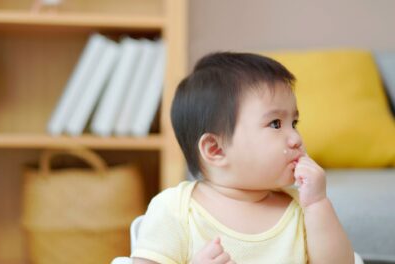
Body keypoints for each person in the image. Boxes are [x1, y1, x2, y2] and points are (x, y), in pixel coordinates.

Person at [131, 52, 354, 263]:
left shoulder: (302, 209)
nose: (296, 138)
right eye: (275, 124)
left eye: (294, 123)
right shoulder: (174, 210)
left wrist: (317, 204)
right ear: (215, 149)